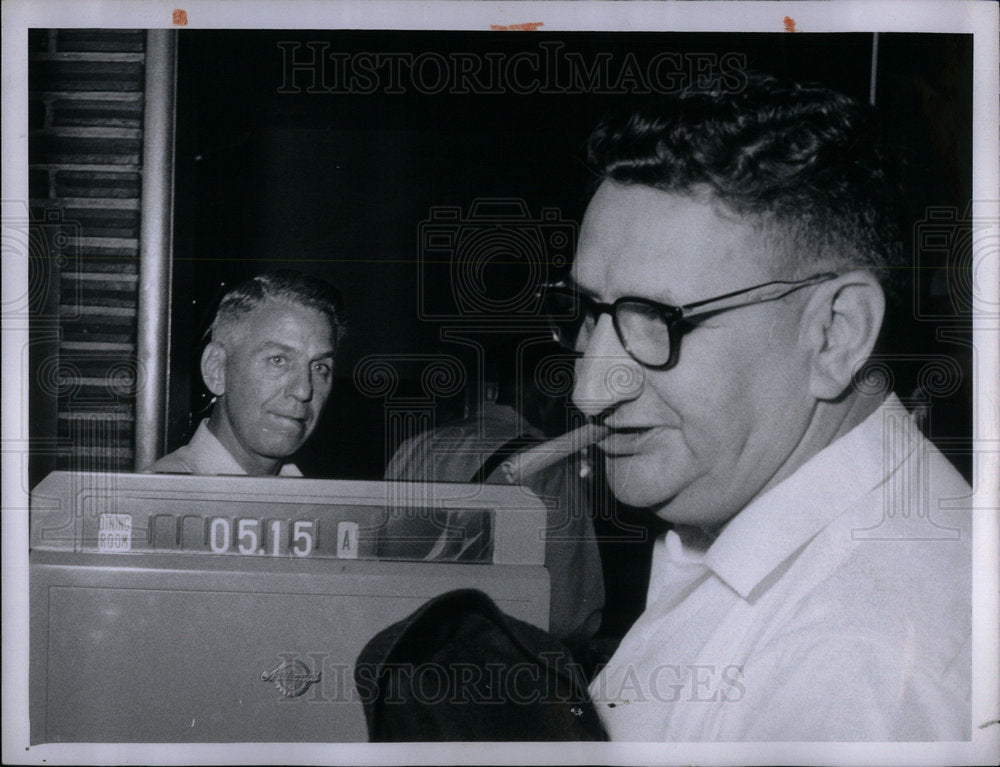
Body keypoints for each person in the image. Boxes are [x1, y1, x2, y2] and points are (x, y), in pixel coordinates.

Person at [540, 73, 971, 740]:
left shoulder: (854, 666)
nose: (589, 390)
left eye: (658, 320)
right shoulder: (741, 525)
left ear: (836, 334)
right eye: (589, 313)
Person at [384, 341, 605, 643]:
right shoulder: (546, 465)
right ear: (550, 392)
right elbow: (569, 610)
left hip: (408, 646)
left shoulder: (414, 446)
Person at [143, 270, 346, 476]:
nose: (303, 390)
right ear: (216, 369)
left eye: (319, 367)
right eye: (277, 360)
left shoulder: (318, 502)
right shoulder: (160, 501)